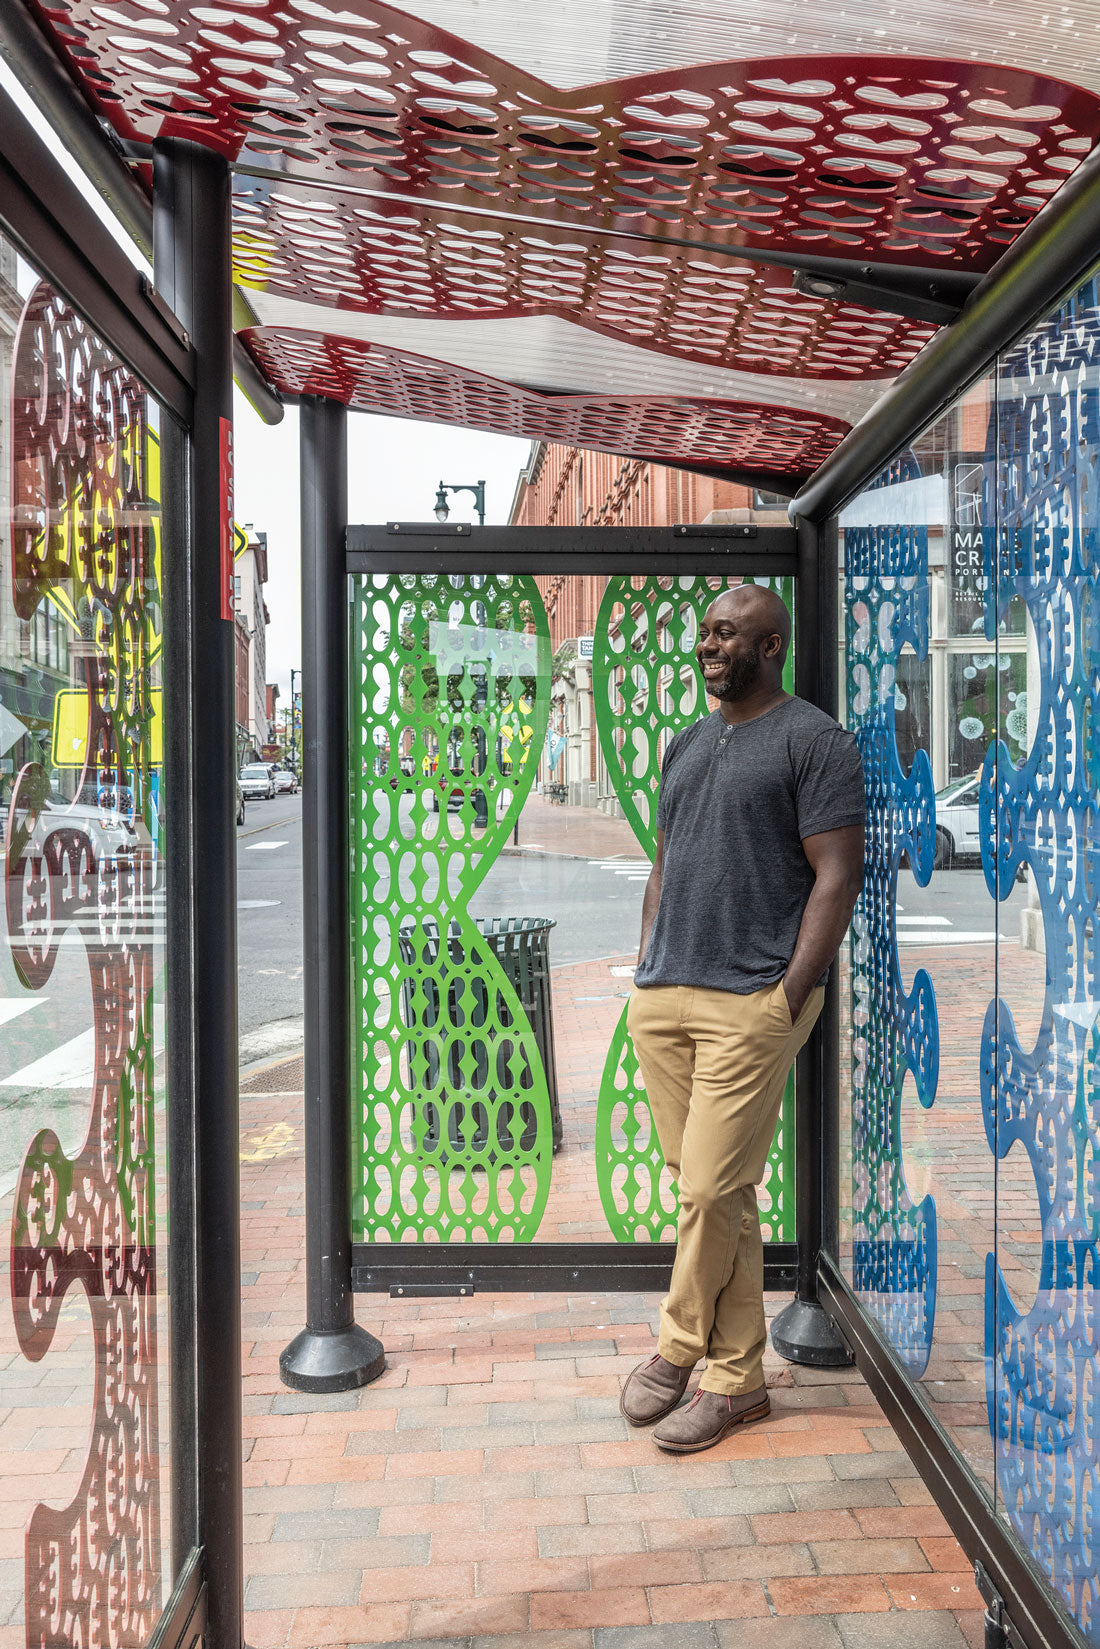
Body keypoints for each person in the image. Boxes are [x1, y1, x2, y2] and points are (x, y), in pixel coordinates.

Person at [621, 583, 864, 1454]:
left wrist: (790, 993)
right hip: (667, 997)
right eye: (704, 633)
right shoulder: (686, 743)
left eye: (725, 633)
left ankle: (678, 1345)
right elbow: (665, 861)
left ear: (771, 645)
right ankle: (738, 1381)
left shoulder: (816, 740)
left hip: (752, 1000)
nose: (706, 646)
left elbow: (837, 875)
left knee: (706, 1187)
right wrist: (647, 966)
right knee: (722, 1194)